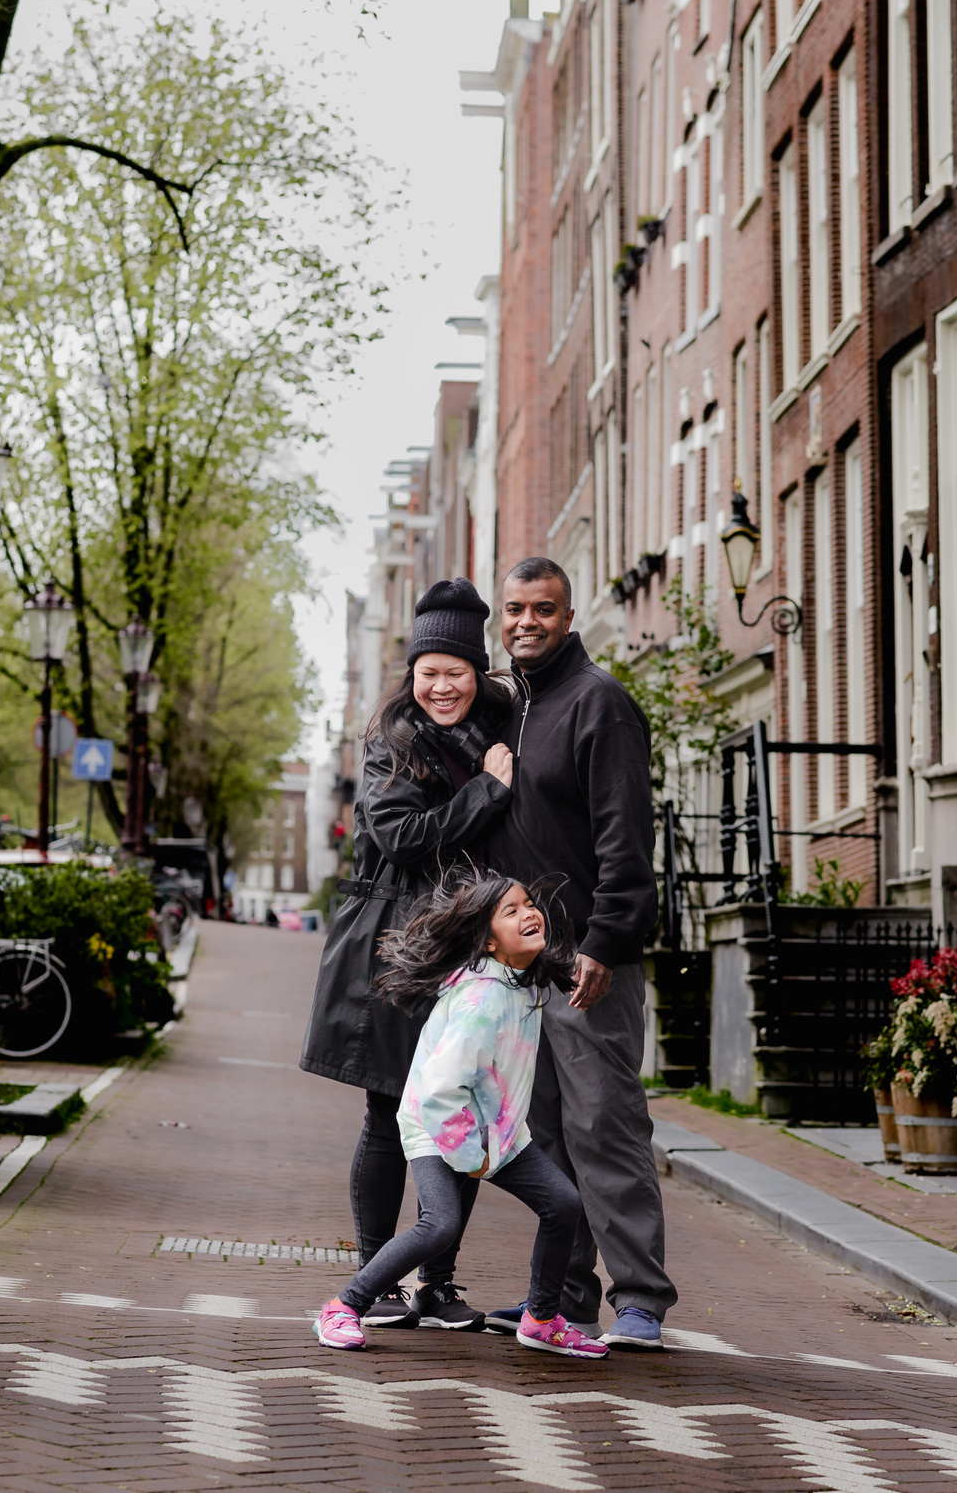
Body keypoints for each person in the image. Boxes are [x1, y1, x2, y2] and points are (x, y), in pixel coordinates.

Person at [300, 577, 514, 1332]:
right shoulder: (391, 740)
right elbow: (402, 836)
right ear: (412, 674)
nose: (442, 686)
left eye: (456, 671)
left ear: (476, 672)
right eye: (430, 672)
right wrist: (486, 794)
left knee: (462, 1112)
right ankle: (378, 1280)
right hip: (395, 944)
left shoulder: (500, 728)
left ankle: (438, 1283)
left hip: (465, 945)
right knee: (390, 1110)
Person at [484, 557, 677, 1349]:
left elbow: (627, 837)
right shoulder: (509, 711)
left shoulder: (601, 704)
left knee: (607, 1126)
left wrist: (606, 940)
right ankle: (562, 1299)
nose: (527, 622)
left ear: (570, 618)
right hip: (524, 966)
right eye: (515, 609)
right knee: (545, 1136)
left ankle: (640, 1300)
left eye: (544, 609)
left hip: (589, 964)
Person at [312, 871, 608, 1362]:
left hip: (495, 1130)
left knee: (562, 1204)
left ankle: (540, 1318)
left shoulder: (525, 983)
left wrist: (491, 1143)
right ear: (489, 942)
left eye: (529, 903)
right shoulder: (481, 998)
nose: (529, 913)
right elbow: (442, 1089)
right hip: (438, 1124)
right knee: (440, 1226)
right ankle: (344, 1306)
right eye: (510, 911)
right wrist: (471, 1154)